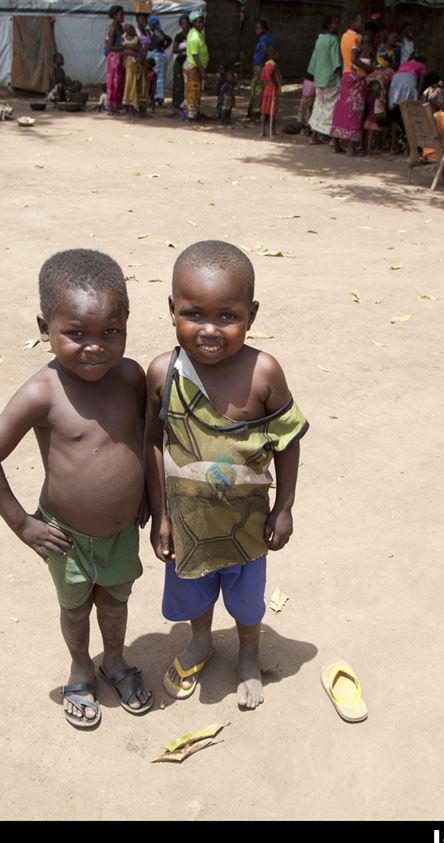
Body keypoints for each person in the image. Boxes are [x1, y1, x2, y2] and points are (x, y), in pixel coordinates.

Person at [0, 249, 153, 731]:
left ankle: (114, 660)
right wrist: (23, 524)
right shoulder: (41, 393)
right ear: (43, 326)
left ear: (127, 324)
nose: (95, 347)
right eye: (76, 333)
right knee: (74, 608)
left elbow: (141, 438)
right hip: (65, 536)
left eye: (111, 332)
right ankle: (80, 667)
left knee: (115, 601)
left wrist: (151, 496)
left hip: (121, 532)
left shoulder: (131, 377)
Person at [145, 241, 308, 711]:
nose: (209, 330)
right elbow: (152, 442)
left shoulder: (264, 374)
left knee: (247, 600)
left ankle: (249, 654)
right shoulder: (163, 373)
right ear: (172, 309)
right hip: (188, 522)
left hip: (247, 527)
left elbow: (288, 440)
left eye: (227, 316)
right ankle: (200, 642)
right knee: (193, 591)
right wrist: (160, 516)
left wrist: (285, 507)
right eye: (193, 314)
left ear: (251, 315)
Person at [331, 15, 371, 155]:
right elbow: (354, 58)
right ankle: (351, 148)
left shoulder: (343, 36)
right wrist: (368, 69)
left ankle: (336, 143)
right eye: (360, 22)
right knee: (355, 111)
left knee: (341, 109)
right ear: (352, 22)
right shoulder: (356, 38)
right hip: (356, 77)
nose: (362, 24)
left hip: (346, 75)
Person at [306, 16, 342, 145]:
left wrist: (312, 75)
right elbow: (336, 62)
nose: (337, 26)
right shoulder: (333, 40)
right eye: (335, 23)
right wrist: (341, 78)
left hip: (319, 79)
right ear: (328, 25)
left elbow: (314, 60)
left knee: (318, 108)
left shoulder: (319, 40)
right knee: (332, 108)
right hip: (331, 80)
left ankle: (314, 136)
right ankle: (333, 138)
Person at [247, 19, 276, 120]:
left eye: (258, 28)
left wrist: (264, 62)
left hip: (260, 66)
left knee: (257, 89)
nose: (256, 30)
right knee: (264, 88)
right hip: (265, 66)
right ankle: (263, 112)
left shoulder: (263, 38)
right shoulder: (270, 38)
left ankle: (256, 112)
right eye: (256, 28)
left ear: (264, 29)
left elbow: (265, 50)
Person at [183, 10, 209, 121]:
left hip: (195, 67)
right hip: (193, 67)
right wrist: (202, 70)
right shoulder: (194, 36)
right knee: (192, 90)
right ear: (193, 23)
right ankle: (191, 114)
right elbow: (195, 55)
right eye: (198, 22)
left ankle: (194, 112)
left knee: (195, 90)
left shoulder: (197, 33)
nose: (201, 24)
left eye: (202, 22)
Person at [104, 6, 127, 114]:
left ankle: (117, 104)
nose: (123, 16)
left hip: (120, 57)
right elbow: (110, 47)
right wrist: (124, 47)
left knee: (120, 82)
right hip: (114, 58)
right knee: (114, 82)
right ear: (114, 15)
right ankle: (112, 106)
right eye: (121, 14)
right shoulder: (113, 27)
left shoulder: (120, 27)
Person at [123, 24, 147, 115]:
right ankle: (128, 103)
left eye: (132, 29)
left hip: (135, 62)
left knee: (135, 82)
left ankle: (134, 103)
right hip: (128, 63)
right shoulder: (124, 37)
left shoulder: (137, 39)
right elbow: (123, 50)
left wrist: (128, 47)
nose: (131, 31)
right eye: (129, 29)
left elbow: (139, 49)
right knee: (128, 82)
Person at [260, 44, 283, 138]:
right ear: (273, 55)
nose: (278, 55)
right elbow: (271, 73)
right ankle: (272, 132)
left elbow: (262, 78)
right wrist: (274, 82)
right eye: (276, 53)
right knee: (272, 112)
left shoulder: (265, 66)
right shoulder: (273, 65)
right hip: (273, 90)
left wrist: (267, 82)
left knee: (264, 111)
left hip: (266, 90)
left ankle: (262, 131)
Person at [147, 15, 169, 106]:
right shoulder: (157, 31)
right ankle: (158, 97)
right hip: (159, 54)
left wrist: (158, 47)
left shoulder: (156, 31)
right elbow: (169, 39)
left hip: (157, 56)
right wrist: (163, 47)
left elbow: (162, 39)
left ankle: (157, 98)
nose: (149, 25)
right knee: (159, 77)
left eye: (150, 24)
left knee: (156, 77)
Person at [172, 13, 192, 112]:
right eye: (183, 23)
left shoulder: (193, 35)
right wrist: (183, 50)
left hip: (189, 62)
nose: (185, 25)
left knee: (188, 83)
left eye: (187, 23)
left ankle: (187, 103)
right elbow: (174, 49)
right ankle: (177, 104)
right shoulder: (179, 36)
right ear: (181, 25)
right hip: (180, 62)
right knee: (179, 84)